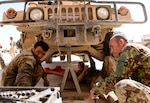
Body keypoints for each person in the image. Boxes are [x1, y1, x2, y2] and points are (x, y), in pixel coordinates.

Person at [90, 31, 150, 103]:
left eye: (112, 46)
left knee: (123, 86)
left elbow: (118, 77)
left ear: (121, 42)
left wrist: (97, 89)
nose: (111, 51)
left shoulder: (129, 49)